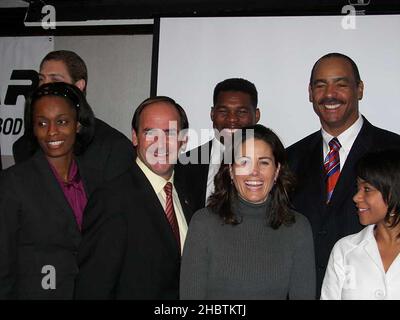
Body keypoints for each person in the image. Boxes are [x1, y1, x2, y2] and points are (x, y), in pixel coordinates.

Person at [286, 52, 400, 296]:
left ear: (359, 89)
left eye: (341, 84)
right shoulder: (288, 158)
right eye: (320, 85)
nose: (329, 94)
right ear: (310, 93)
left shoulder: (394, 151)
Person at [75, 96, 193, 299]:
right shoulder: (111, 200)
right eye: (150, 132)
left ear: (184, 140)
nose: (161, 144)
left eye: (170, 133)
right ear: (135, 137)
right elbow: (92, 288)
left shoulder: (190, 192)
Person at [180, 124, 316, 299]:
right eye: (244, 162)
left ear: (277, 171)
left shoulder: (298, 227)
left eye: (264, 163)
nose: (254, 172)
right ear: (230, 170)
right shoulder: (203, 223)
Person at [0, 82, 99, 299]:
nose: (52, 131)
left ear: (78, 125)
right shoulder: (13, 183)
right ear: (33, 129)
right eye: (42, 123)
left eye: (62, 121)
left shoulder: (96, 179)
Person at [13, 50, 135, 182]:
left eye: (55, 80)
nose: (45, 87)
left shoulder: (114, 148)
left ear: (79, 86)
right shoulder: (24, 146)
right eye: (41, 79)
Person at [321, 149, 400, 300]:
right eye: (358, 188)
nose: (357, 197)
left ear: (394, 192)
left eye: (367, 189)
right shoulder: (344, 249)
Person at [176, 78, 260, 212]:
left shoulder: (273, 164)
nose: (232, 119)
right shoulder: (184, 165)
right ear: (212, 114)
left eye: (241, 112)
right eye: (223, 111)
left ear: (256, 115)